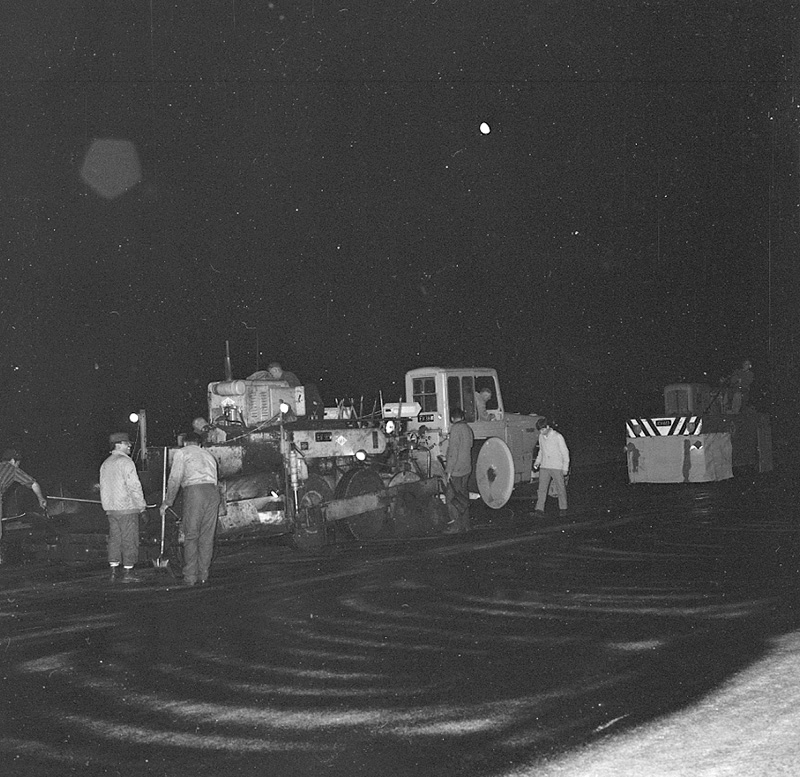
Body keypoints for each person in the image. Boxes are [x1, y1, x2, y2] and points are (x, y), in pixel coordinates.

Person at [160, 432, 221, 586]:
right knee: (207, 536)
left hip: (195, 492)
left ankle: (190, 577)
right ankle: (203, 575)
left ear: (185, 443)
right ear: (199, 444)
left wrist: (168, 502)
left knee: (191, 535)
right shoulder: (208, 455)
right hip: (213, 493)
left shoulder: (182, 453)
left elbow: (175, 478)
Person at [99, 432, 147, 583]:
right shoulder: (126, 462)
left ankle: (113, 571)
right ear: (118, 445)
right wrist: (142, 507)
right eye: (127, 443)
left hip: (111, 509)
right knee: (129, 539)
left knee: (115, 539)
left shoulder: (106, 463)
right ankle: (128, 572)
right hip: (127, 508)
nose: (130, 446)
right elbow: (134, 486)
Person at [0, 448, 48, 561]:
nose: (18, 466)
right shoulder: (12, 469)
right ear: (13, 460)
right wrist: (41, 498)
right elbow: (33, 484)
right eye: (18, 463)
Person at [444, 407, 474, 533]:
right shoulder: (468, 428)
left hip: (456, 469)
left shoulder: (455, 429)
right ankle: (466, 525)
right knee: (463, 496)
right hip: (466, 467)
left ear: (452, 419)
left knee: (451, 497)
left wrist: (448, 470)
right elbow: (470, 445)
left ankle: (455, 526)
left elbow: (453, 451)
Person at [533, 417, 570, 517]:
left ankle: (563, 508)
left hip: (557, 466)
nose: (541, 432)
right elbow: (541, 451)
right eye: (540, 430)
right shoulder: (541, 437)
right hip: (544, 466)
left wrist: (565, 467)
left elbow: (565, 452)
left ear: (548, 427)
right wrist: (537, 462)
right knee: (542, 489)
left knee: (560, 488)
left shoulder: (558, 436)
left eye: (543, 429)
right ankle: (539, 509)